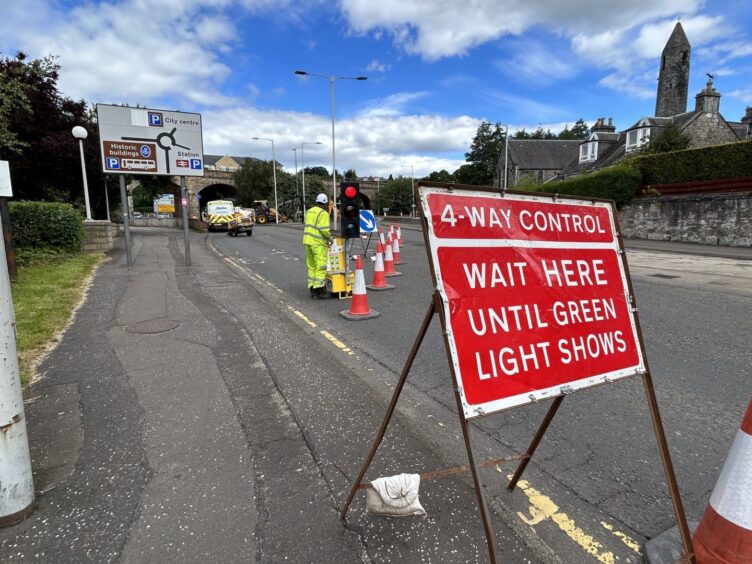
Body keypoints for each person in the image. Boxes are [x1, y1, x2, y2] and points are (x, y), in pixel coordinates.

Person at [303, 193, 332, 298]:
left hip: (307, 241)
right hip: (318, 243)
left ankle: (312, 288)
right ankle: (319, 291)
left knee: (311, 266)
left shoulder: (309, 211)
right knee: (320, 266)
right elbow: (324, 230)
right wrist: (330, 238)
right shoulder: (323, 213)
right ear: (325, 203)